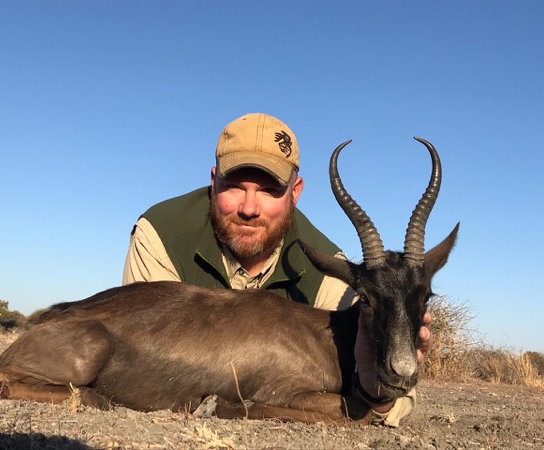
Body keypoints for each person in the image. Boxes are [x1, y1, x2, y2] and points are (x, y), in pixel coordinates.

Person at [123, 112, 432, 426]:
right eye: (234, 186)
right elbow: (139, 347)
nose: (249, 208)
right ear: (214, 181)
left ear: (295, 192)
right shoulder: (161, 235)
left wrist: (377, 392)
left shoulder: (326, 270)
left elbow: (387, 383)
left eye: (269, 190)